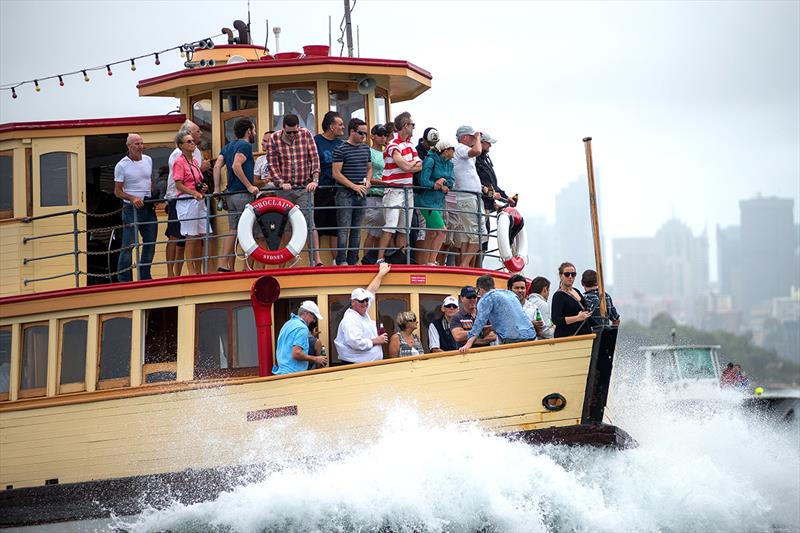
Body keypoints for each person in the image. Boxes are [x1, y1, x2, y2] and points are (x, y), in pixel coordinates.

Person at [266, 115, 323, 266]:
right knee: (286, 225)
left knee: (310, 223)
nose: (292, 135)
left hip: (304, 186)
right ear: (283, 128)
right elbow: (272, 164)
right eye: (289, 132)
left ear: (298, 128)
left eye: (295, 132)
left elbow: (314, 158)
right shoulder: (274, 138)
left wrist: (315, 180)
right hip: (284, 189)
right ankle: (286, 262)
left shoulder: (306, 134)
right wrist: (280, 182)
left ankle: (316, 260)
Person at [212, 118, 259, 272]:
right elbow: (236, 165)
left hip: (230, 195)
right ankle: (247, 267)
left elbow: (218, 165)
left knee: (233, 229)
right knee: (249, 230)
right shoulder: (245, 145)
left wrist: (217, 188)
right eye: (254, 129)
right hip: (243, 195)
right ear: (248, 131)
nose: (255, 133)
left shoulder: (227, 147)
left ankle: (223, 262)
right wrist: (249, 186)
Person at [165, 121, 210, 277]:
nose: (193, 143)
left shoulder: (195, 159)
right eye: (189, 141)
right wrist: (193, 193)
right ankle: (187, 271)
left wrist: (202, 188)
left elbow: (197, 180)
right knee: (186, 236)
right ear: (181, 145)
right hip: (185, 201)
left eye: (192, 140)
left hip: (197, 201)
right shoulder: (178, 159)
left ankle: (197, 270)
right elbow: (178, 184)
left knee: (199, 235)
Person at [376, 112, 422, 263]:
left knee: (404, 229)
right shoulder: (393, 144)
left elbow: (418, 166)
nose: (414, 127)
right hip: (394, 190)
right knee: (390, 226)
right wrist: (409, 166)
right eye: (412, 124)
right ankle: (380, 259)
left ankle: (402, 259)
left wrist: (408, 167)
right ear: (405, 126)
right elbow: (404, 165)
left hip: (407, 190)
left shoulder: (409, 145)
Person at [114, 133, 156, 282]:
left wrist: (154, 195)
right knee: (129, 244)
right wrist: (132, 198)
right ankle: (124, 278)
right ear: (129, 146)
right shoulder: (121, 165)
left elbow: (149, 180)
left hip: (148, 206)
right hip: (130, 208)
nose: (140, 147)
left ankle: (145, 275)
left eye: (141, 143)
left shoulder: (148, 160)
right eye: (137, 144)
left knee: (150, 241)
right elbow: (117, 191)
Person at [460, 275, 537, 352]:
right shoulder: (510, 294)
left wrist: (469, 343)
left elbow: (480, 321)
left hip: (514, 339)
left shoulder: (486, 298)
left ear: (480, 290)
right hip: (532, 336)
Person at [332, 118, 372, 266]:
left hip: (360, 192)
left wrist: (368, 181)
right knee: (344, 229)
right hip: (344, 194)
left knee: (356, 230)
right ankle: (341, 260)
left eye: (365, 134)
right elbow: (336, 173)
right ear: (352, 132)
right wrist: (353, 186)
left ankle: (352, 260)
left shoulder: (366, 148)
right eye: (361, 133)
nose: (363, 137)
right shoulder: (341, 149)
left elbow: (369, 168)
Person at [334, 263, 392, 363]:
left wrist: (381, 274)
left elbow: (371, 291)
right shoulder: (351, 319)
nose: (365, 303)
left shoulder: (361, 312)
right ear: (353, 302)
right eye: (361, 301)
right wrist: (376, 340)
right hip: (356, 366)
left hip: (366, 366)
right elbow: (355, 342)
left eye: (366, 300)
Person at [416, 139, 455, 265]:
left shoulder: (450, 164)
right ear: (445, 150)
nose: (454, 151)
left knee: (431, 233)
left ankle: (425, 262)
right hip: (426, 201)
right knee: (442, 231)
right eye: (451, 149)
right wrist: (435, 184)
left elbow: (451, 181)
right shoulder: (430, 160)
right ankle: (432, 261)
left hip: (438, 201)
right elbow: (423, 180)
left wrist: (443, 183)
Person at [313, 111, 345, 264]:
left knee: (336, 227)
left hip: (337, 190)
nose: (343, 127)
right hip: (320, 190)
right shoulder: (315, 141)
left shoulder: (341, 144)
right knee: (316, 225)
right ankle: (316, 259)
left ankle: (335, 261)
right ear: (331, 126)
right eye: (340, 124)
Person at [452, 125, 485, 267]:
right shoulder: (460, 148)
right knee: (479, 234)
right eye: (472, 137)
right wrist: (478, 137)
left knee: (468, 235)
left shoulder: (463, 152)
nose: (475, 139)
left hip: (470, 196)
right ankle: (465, 265)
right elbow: (477, 150)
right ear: (464, 137)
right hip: (467, 197)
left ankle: (465, 264)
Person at [475, 132, 508, 267]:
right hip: (481, 203)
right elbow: (479, 184)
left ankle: (478, 266)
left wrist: (506, 198)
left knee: (484, 238)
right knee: (478, 238)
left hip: (488, 204)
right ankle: (475, 266)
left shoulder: (484, 160)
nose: (490, 146)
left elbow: (492, 185)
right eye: (488, 143)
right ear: (481, 143)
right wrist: (491, 195)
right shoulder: (476, 160)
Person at [273, 301, 327, 375]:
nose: (313, 321)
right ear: (306, 313)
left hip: (281, 372)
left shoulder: (287, 324)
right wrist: (316, 359)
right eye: (313, 317)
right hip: (294, 373)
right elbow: (296, 353)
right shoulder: (302, 328)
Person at [362, 124, 389, 264]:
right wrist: (382, 182)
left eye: (385, 134)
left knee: (381, 232)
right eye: (380, 134)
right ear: (372, 136)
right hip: (373, 195)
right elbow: (366, 175)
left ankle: (377, 259)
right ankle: (367, 260)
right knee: (373, 231)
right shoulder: (368, 151)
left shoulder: (387, 152)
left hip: (385, 196)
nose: (383, 136)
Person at [551, 262, 592, 338]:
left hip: (584, 334)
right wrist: (577, 318)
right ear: (561, 276)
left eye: (573, 274)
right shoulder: (558, 295)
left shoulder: (576, 291)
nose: (570, 277)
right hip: (568, 336)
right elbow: (556, 319)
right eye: (567, 274)